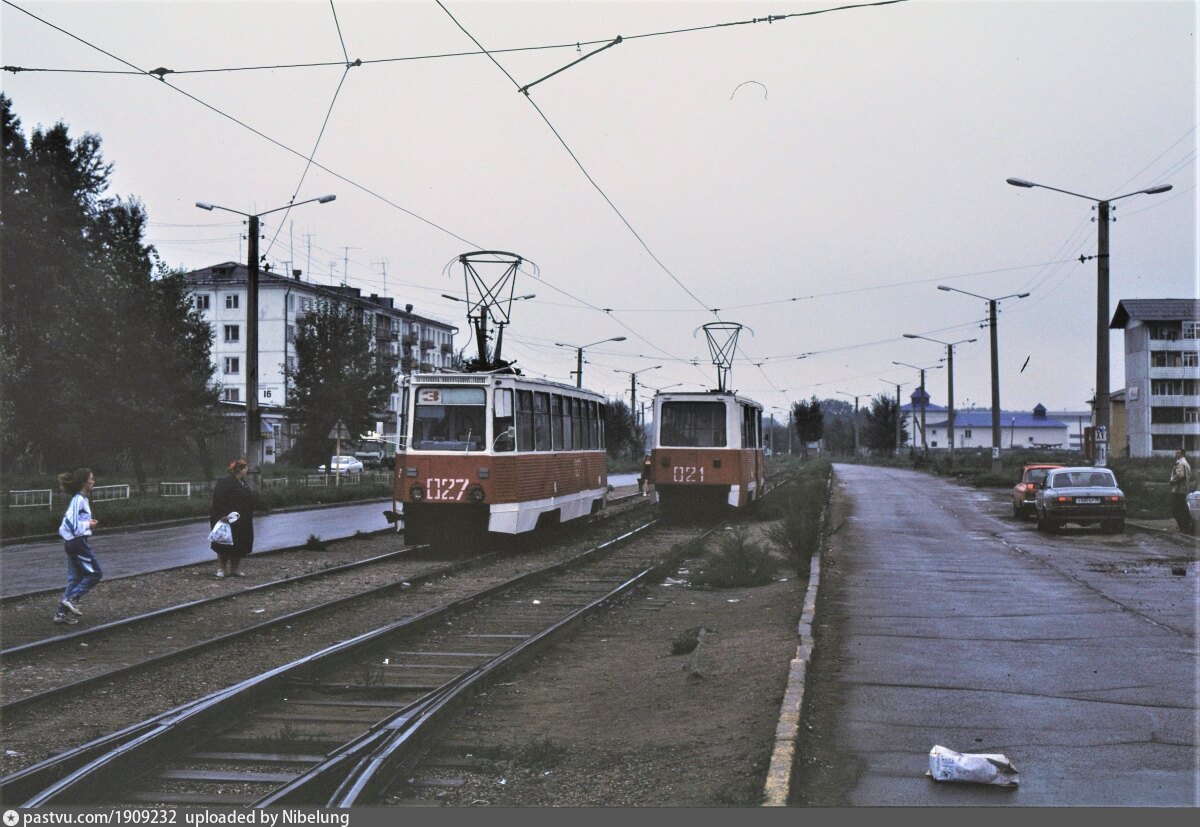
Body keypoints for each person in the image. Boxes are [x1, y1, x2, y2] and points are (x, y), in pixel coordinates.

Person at [55, 468, 102, 625]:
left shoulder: (82, 499)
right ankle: (71, 599)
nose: (93, 481)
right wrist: (88, 524)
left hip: (75, 542)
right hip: (77, 542)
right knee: (95, 573)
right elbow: (71, 523)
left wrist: (88, 525)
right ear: (84, 482)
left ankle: (61, 614)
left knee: (75, 578)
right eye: (91, 478)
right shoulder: (78, 499)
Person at [210, 458, 256, 577]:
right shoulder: (225, 482)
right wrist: (223, 515)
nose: (247, 470)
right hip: (226, 518)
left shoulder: (243, 483)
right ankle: (221, 569)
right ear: (240, 470)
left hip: (241, 520)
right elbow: (218, 499)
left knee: (239, 544)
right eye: (245, 468)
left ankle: (235, 569)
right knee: (223, 544)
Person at [1169, 448, 1192, 533]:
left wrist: (1172, 480)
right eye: (1176, 452)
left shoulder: (1181, 463)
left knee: (1176, 509)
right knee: (1182, 508)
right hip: (1183, 489)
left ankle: (1184, 528)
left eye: (1178, 453)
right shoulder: (1186, 463)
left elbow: (1180, 475)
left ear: (1182, 454)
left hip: (1178, 489)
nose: (1176, 454)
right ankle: (1185, 527)